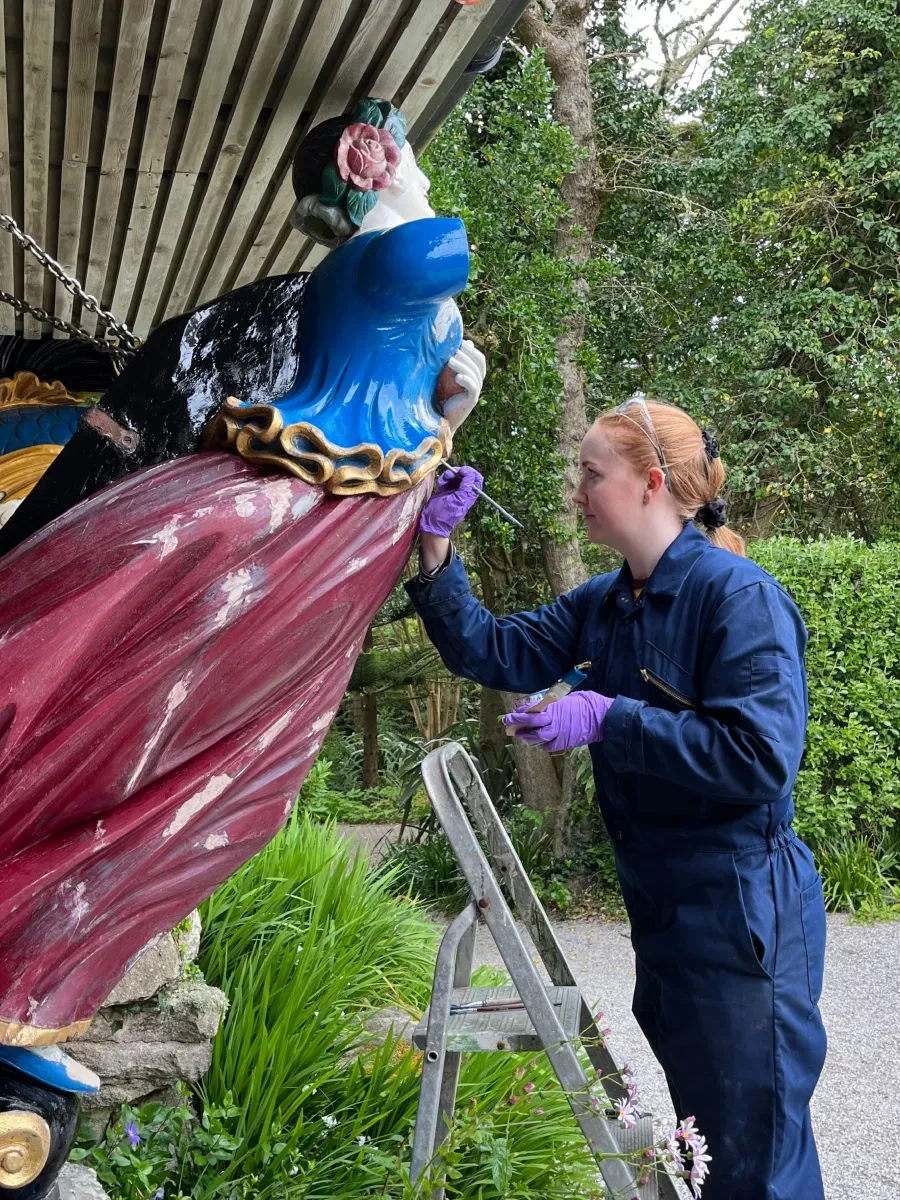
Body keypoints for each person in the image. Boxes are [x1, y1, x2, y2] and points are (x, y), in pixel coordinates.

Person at [405, 397, 827, 1200]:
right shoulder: (607, 601)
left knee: (757, 1167)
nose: (577, 490)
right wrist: (435, 546)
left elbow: (760, 759)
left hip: (745, 923)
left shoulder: (739, 600)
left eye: (591, 474)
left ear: (651, 484)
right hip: (667, 918)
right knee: (709, 1152)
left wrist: (608, 717)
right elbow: (491, 649)